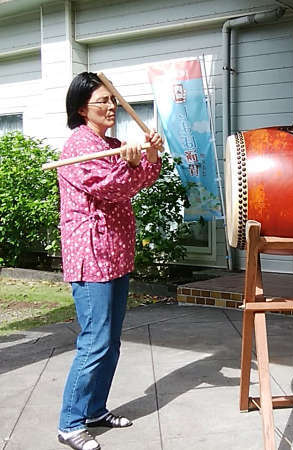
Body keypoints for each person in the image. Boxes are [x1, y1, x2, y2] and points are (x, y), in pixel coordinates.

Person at [56, 72, 163, 450]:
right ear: (83, 108)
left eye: (113, 100)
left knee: (111, 342)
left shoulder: (112, 144)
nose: (111, 106)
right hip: (91, 256)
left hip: (115, 254)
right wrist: (133, 165)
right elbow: (114, 187)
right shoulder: (78, 147)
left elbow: (142, 178)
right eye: (103, 101)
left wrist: (149, 156)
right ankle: (70, 422)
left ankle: (95, 409)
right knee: (95, 342)